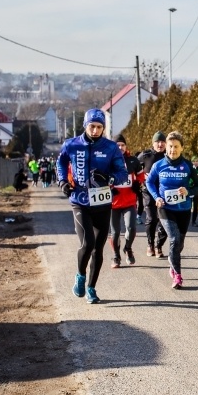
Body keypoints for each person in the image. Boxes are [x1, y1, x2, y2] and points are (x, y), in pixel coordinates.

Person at [56, 108, 128, 303]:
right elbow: (61, 162)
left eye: (99, 127)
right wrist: (63, 181)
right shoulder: (72, 144)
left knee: (98, 249)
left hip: (103, 202)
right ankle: (80, 275)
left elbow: (123, 173)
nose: (95, 130)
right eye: (92, 126)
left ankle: (91, 288)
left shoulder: (111, 148)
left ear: (103, 128)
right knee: (87, 244)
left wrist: (112, 177)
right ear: (85, 125)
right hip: (80, 201)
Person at [145, 131, 198, 289]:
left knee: (179, 243)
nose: (172, 150)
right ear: (166, 148)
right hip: (165, 208)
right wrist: (157, 197)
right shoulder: (159, 165)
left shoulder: (187, 165)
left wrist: (188, 191)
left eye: (176, 147)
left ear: (182, 148)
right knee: (174, 239)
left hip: (183, 209)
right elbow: (149, 183)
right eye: (170, 146)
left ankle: (172, 264)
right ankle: (177, 275)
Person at [109, 134, 143, 268]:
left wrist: (137, 183)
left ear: (126, 146)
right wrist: (110, 188)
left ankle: (128, 248)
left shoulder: (133, 160)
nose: (120, 147)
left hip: (129, 202)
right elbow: (102, 177)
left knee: (131, 227)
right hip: (113, 203)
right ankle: (116, 256)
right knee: (115, 232)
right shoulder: (109, 161)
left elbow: (141, 175)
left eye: (122, 145)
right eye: (118, 145)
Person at [138, 132, 169, 258]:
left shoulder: (169, 156)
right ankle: (150, 244)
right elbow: (134, 167)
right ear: (153, 143)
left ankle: (159, 245)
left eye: (162, 142)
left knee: (165, 220)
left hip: (164, 192)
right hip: (149, 191)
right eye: (157, 142)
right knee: (152, 219)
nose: (160, 144)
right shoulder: (145, 155)